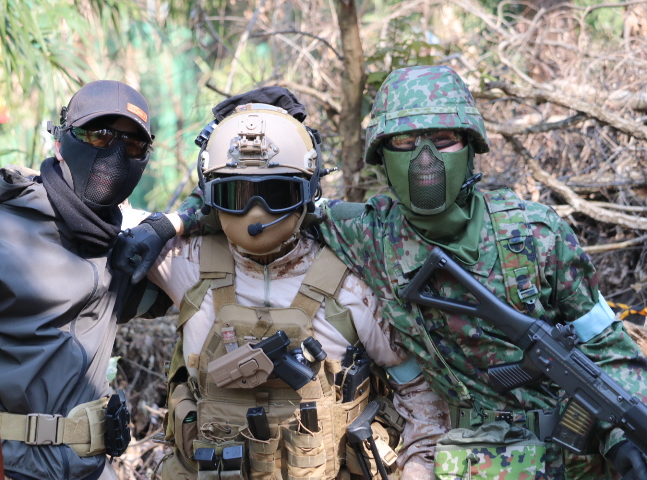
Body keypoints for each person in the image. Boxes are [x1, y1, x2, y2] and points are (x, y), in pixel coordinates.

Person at [164, 69, 647, 479]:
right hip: (461, 460)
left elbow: (610, 348)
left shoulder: (537, 236)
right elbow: (256, 203)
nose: (425, 160)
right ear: (382, 156)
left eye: (443, 140)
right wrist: (169, 224)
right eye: (404, 143)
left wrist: (622, 436)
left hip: (568, 457)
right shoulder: (366, 232)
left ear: (471, 146)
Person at [112, 91, 450, 480]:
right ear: (210, 198)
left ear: (306, 193)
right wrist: (167, 224)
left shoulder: (352, 281)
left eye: (276, 194)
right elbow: (92, 220)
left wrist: (418, 467)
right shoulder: (184, 260)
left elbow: (419, 391)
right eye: (235, 195)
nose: (256, 212)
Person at [0, 80, 174, 480]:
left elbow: (218, 251)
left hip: (85, 468)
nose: (114, 154)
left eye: (132, 145)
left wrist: (168, 225)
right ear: (60, 143)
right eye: (98, 135)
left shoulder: (125, 249)